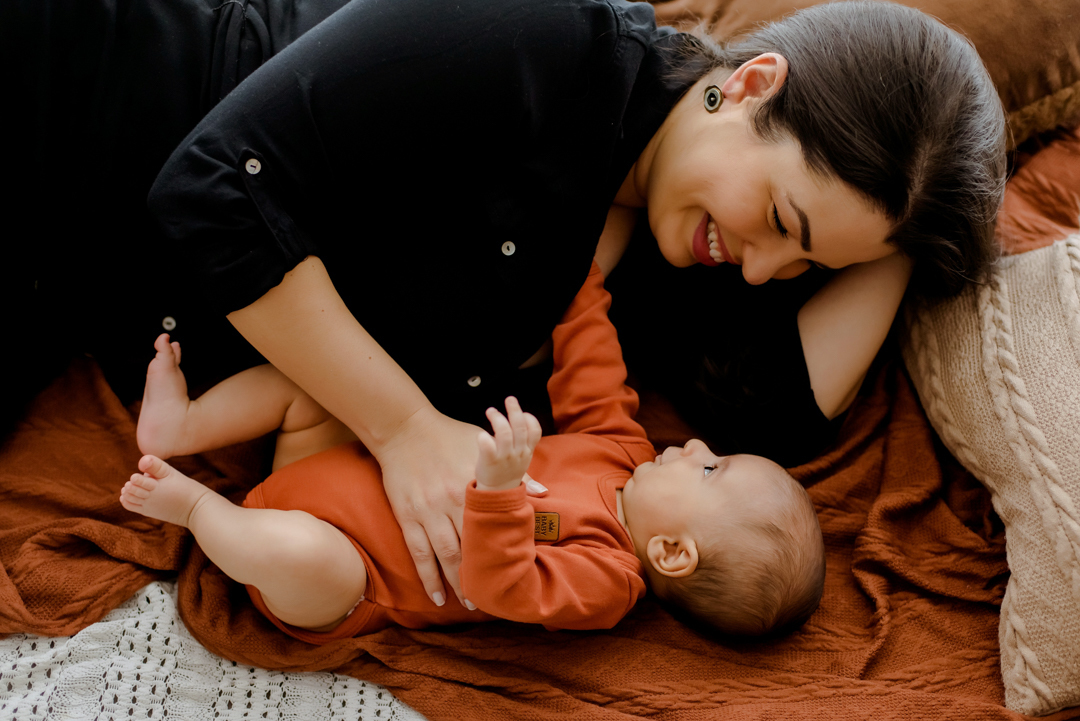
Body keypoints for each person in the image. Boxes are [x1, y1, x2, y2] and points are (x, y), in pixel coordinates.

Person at [11, 0, 1006, 611]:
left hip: (84, 284)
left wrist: (912, 236)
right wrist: (403, 426)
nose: (760, 271)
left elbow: (781, 409)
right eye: (783, 221)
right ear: (750, 83)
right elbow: (214, 187)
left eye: (804, 265)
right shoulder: (544, 33)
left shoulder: (680, 249)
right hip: (75, 97)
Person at [120, 265, 825, 637]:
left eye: (712, 468)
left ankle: (200, 511)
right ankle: (181, 427)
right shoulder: (623, 452)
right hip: (333, 465)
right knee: (318, 384)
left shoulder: (608, 580)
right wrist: (580, 283)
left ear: (671, 552)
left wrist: (500, 491)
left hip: (353, 572)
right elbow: (594, 377)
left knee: (305, 557)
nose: (695, 444)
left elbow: (504, 587)